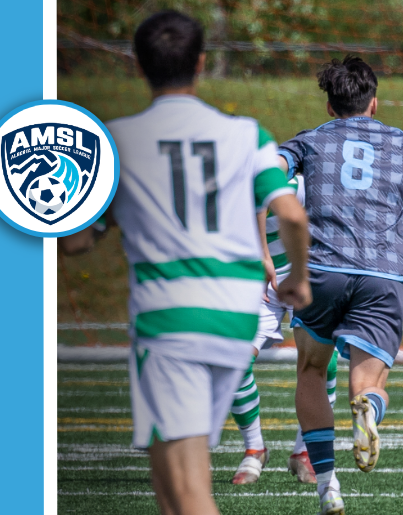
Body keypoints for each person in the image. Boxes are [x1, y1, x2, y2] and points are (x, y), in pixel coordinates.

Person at [61, 11, 312, 515]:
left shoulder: (114, 142)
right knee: (172, 484)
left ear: (136, 65)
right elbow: (292, 215)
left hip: (172, 319)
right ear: (201, 63)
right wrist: (299, 281)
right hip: (236, 317)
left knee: (188, 491)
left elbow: (76, 243)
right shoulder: (248, 134)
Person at [276, 55, 403, 515]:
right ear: (374, 103)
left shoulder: (309, 141)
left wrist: (262, 249)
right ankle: (369, 407)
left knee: (312, 371)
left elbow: (267, 178)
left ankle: (328, 487)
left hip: (323, 272)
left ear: (330, 107)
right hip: (386, 274)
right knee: (367, 381)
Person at [229, 173, 340, 485]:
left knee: (322, 361)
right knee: (236, 361)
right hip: (258, 278)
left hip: (304, 273)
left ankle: (303, 452)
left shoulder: (305, 180)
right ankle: (254, 449)